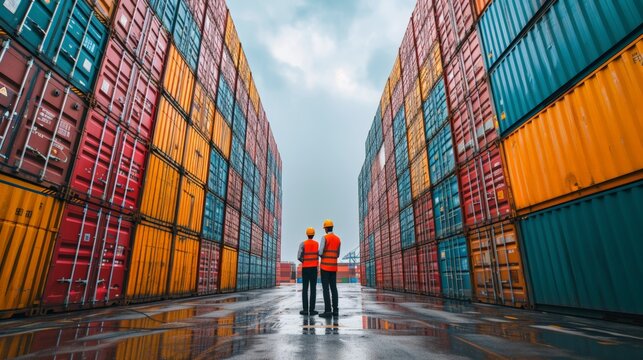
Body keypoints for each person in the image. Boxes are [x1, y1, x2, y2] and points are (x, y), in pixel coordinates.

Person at [318, 219, 341, 318]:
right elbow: (338, 254)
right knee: (334, 288)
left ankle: (328, 311)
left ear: (326, 228)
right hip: (333, 267)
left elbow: (320, 252)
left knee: (326, 289)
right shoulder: (338, 239)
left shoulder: (325, 238)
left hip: (325, 267)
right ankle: (335, 310)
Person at [297, 227, 319, 315]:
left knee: (305, 289)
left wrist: (304, 261)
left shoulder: (303, 243)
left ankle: (305, 310)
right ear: (313, 234)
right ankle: (312, 310)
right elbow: (319, 254)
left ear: (307, 234)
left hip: (305, 268)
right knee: (313, 289)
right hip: (314, 269)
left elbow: (298, 256)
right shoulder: (317, 244)